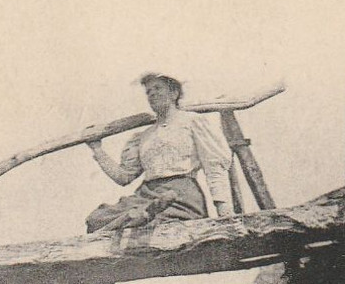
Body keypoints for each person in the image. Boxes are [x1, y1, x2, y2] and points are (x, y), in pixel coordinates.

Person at [85, 72, 234, 233]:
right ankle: (139, 216)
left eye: (157, 88)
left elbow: (214, 167)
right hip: (145, 195)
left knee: (157, 224)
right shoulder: (144, 136)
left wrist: (223, 208)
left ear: (174, 93)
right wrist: (97, 149)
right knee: (96, 219)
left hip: (180, 196)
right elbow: (124, 177)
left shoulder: (192, 122)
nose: (152, 94)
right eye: (148, 91)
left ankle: (141, 217)